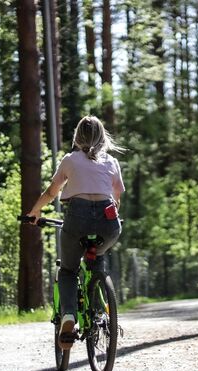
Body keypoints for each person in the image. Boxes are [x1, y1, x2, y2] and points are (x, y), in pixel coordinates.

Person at [26, 115, 125, 349]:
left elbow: (51, 192)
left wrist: (35, 212)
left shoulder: (70, 160)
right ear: (103, 137)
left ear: (77, 137)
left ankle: (69, 316)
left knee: (69, 270)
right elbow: (117, 197)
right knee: (97, 257)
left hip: (77, 220)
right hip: (108, 224)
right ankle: (100, 311)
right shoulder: (111, 162)